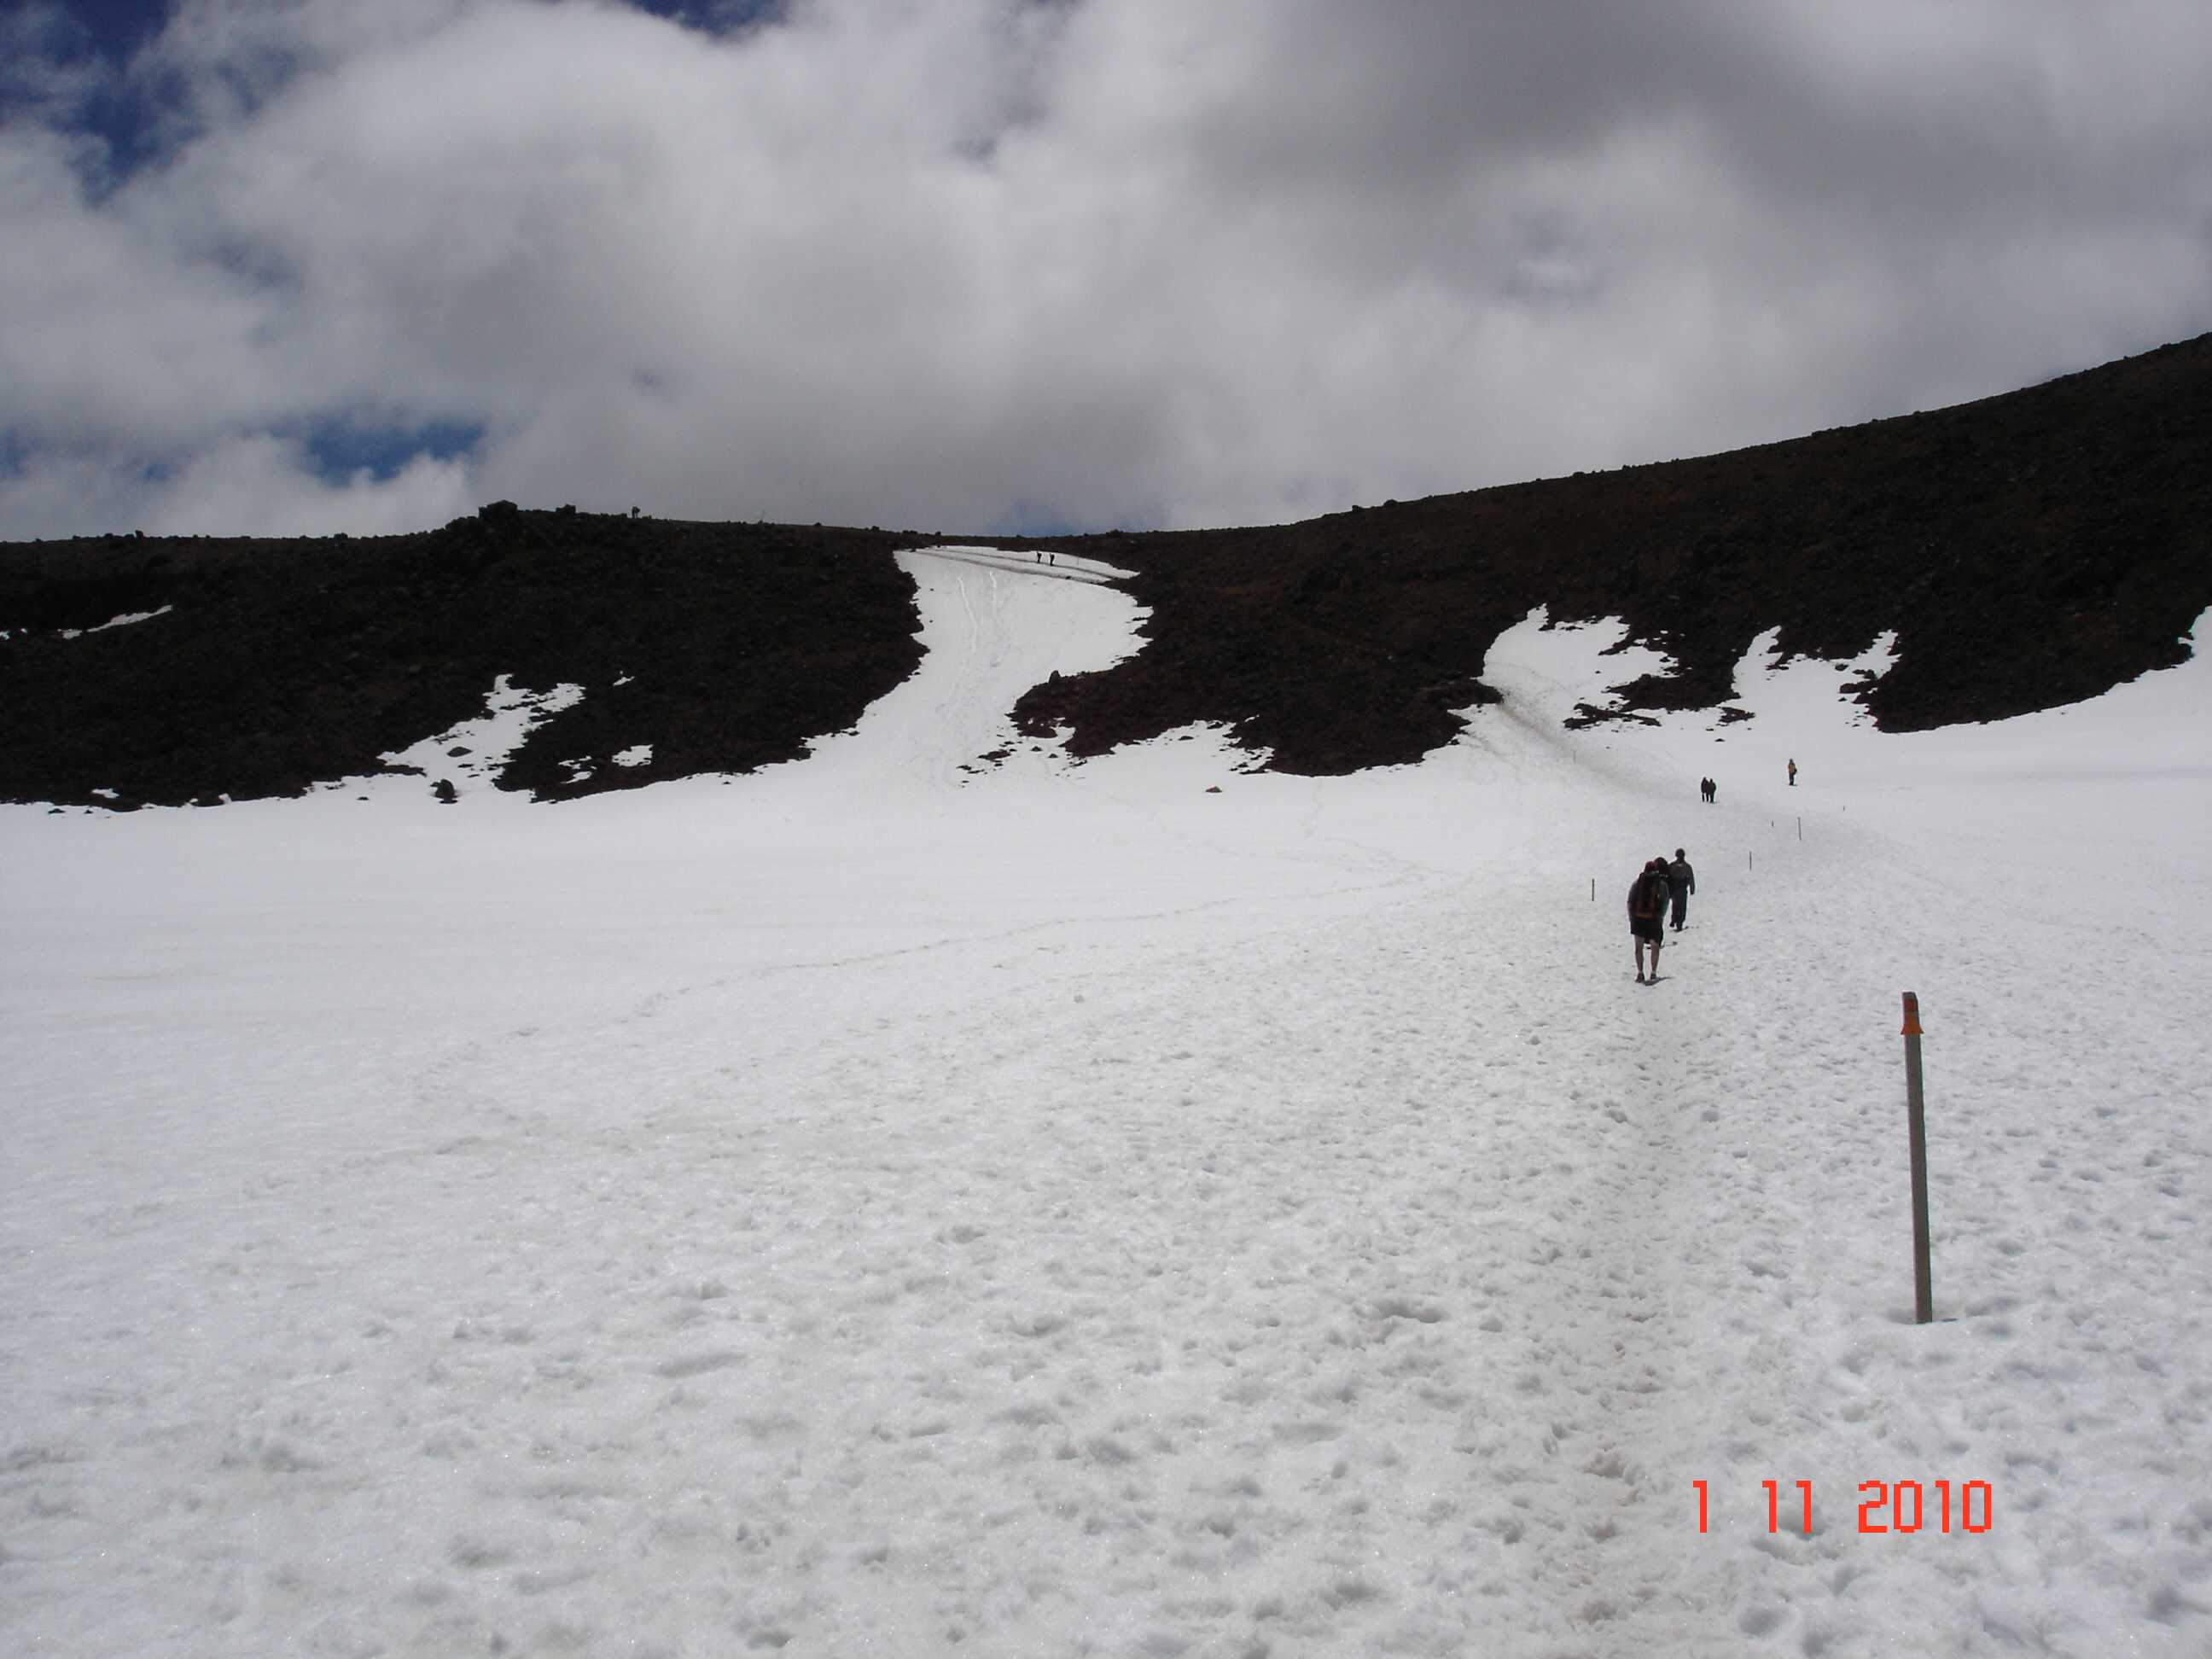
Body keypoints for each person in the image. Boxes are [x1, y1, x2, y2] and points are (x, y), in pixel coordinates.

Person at [1628, 857, 1670, 983]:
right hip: (1654, 919)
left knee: (1638, 948)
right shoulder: (1661, 885)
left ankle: (1640, 972)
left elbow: (1630, 901)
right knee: (1655, 947)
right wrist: (1661, 916)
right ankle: (1653, 972)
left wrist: (1632, 917)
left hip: (1638, 919)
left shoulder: (1637, 883)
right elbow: (1665, 902)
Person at [1667, 848, 1696, 931]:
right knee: (1680, 906)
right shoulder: (1686, 866)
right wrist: (1692, 889)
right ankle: (1678, 921)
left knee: (1677, 905)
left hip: (1678, 889)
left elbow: (1690, 878)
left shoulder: (1673, 866)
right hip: (1678, 889)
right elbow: (1691, 878)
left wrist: (1692, 888)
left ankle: (1676, 921)